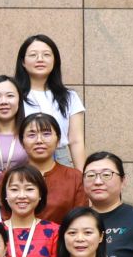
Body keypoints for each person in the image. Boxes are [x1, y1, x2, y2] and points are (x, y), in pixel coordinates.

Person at [14, 35, 85, 166]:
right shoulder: (13, 95)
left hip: (60, 160)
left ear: (55, 60)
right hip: (22, 160)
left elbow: (76, 140)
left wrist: (81, 174)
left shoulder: (70, 97)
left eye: (46, 54)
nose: (40, 59)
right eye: (33, 55)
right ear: (23, 62)